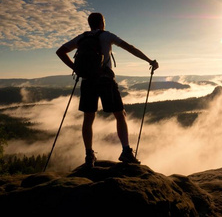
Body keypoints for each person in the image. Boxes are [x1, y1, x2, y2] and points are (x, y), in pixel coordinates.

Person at [56, 12, 159, 167]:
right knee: (120, 114)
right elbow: (129, 47)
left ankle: (89, 155)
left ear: (90, 23)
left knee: (88, 118)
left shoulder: (81, 38)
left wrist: (77, 69)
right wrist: (149, 60)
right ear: (102, 23)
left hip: (87, 82)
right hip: (106, 81)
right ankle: (126, 151)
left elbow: (60, 52)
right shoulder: (106, 36)